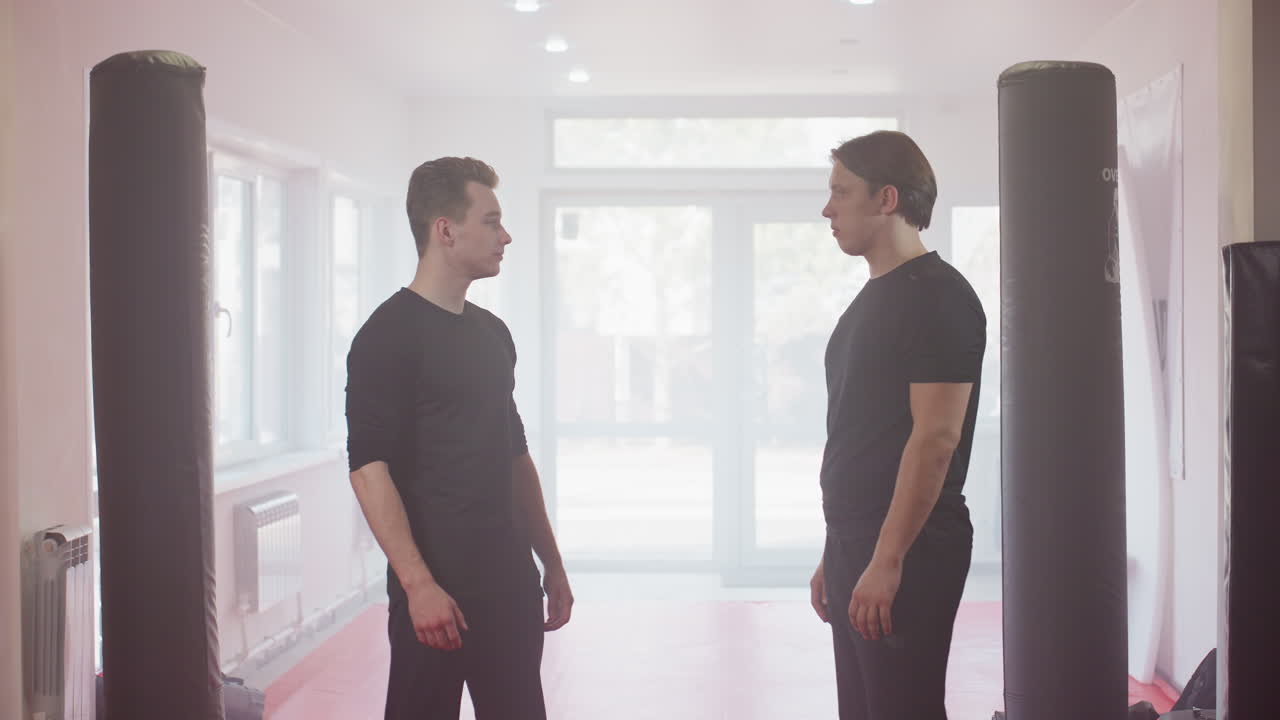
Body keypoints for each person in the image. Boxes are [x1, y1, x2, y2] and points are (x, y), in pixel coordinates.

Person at [345, 156, 573, 720]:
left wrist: (551, 560)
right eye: (492, 221)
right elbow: (368, 468)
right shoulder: (386, 336)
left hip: (509, 585)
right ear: (445, 229)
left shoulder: (492, 333)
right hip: (436, 596)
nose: (506, 236)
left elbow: (514, 453)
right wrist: (418, 584)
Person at [809, 130, 986, 719]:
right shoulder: (872, 301)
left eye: (840, 192)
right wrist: (837, 551)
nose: (828, 209)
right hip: (859, 541)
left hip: (911, 548)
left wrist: (886, 560)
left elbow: (935, 439)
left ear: (886, 199)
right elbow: (865, 435)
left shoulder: (940, 298)